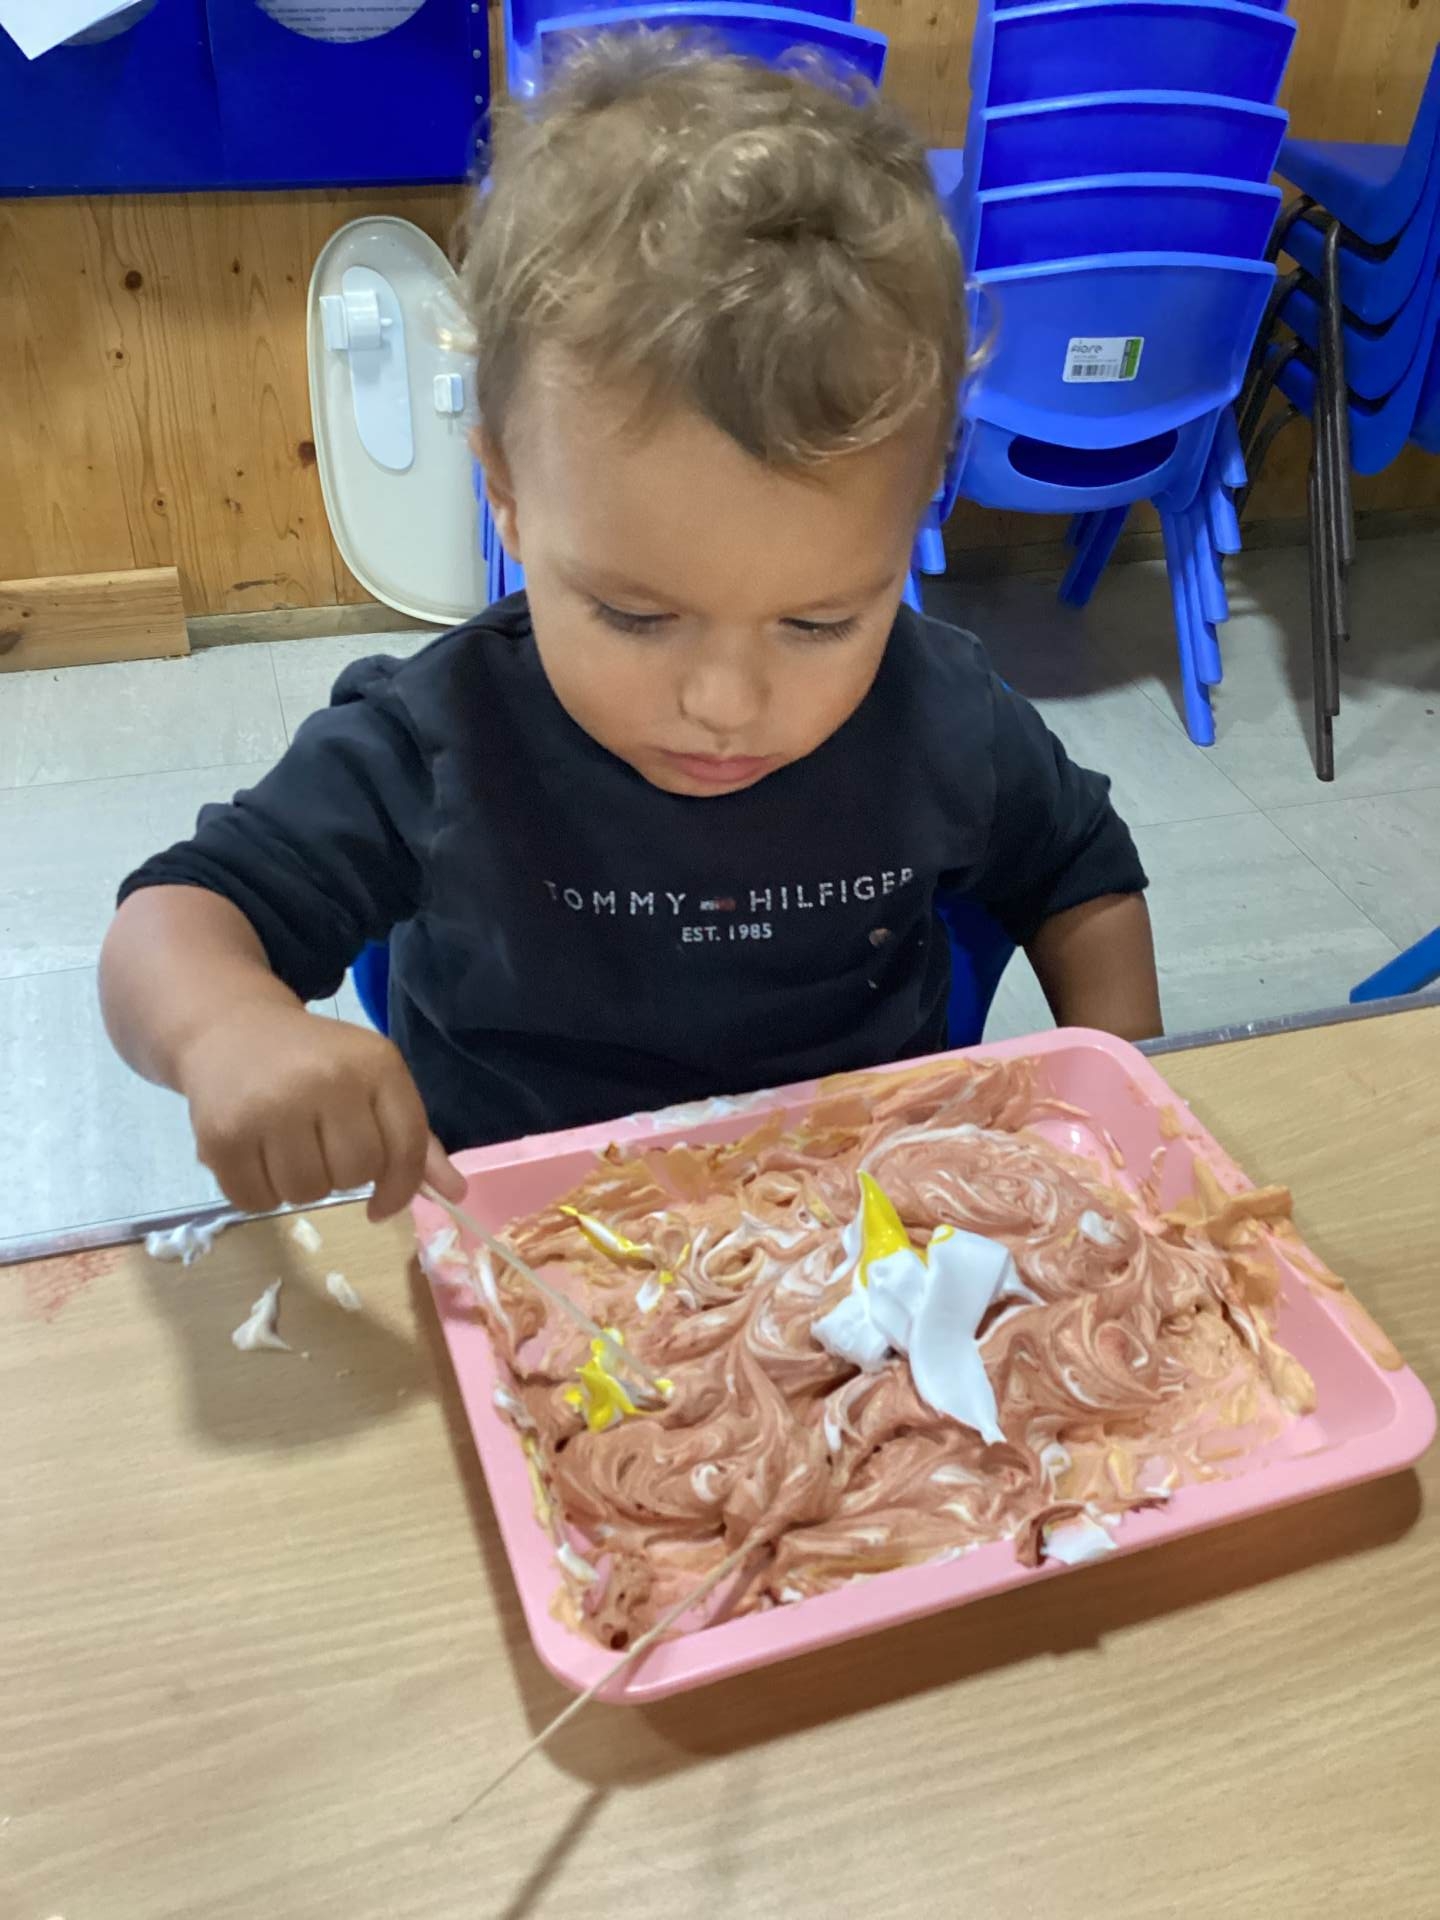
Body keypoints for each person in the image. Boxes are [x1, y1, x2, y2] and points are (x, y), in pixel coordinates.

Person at [100, 34, 1161, 1226]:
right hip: (532, 1245)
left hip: (863, 1241)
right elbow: (173, 919)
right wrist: (226, 1026)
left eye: (819, 621)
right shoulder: (438, 742)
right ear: (507, 492)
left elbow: (1081, 869)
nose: (724, 702)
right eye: (635, 615)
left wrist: (1124, 1117)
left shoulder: (941, 714)